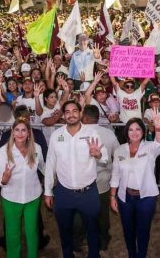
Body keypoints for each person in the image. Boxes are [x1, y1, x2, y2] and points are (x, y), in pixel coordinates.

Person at [44, 100, 108, 258]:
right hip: (64, 193)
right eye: (67, 112)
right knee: (65, 231)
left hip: (88, 193)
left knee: (92, 229)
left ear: (80, 113)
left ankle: (94, 255)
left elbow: (105, 158)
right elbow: (50, 164)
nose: (71, 114)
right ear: (63, 115)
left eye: (74, 111)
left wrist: (98, 154)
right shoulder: (56, 135)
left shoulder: (91, 134)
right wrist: (47, 191)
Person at [109, 112, 160, 258]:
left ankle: (142, 255)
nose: (134, 133)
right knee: (128, 231)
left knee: (143, 230)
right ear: (126, 132)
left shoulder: (150, 147)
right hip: (125, 197)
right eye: (131, 129)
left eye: (138, 129)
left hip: (146, 198)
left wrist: (158, 129)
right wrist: (112, 196)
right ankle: (132, 254)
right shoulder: (120, 150)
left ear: (143, 131)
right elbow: (115, 174)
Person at [0, 118, 44, 258]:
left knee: (32, 233)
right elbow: (1, 181)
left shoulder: (37, 148)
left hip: (33, 197)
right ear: (12, 132)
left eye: (23, 130)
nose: (20, 133)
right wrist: (5, 178)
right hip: (11, 198)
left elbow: (43, 167)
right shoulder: (4, 151)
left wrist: (53, 179)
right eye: (17, 130)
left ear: (29, 133)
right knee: (12, 234)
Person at [81, 104, 119, 250]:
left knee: (84, 211)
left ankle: (83, 238)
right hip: (103, 181)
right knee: (103, 213)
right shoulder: (109, 134)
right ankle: (103, 240)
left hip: (84, 182)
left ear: (85, 117)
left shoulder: (80, 133)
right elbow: (117, 154)